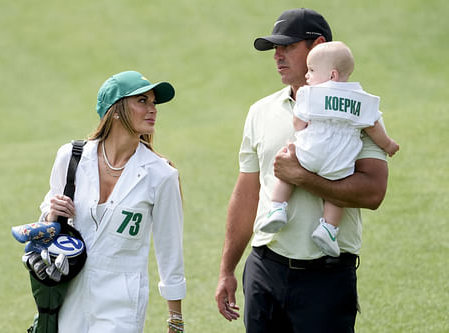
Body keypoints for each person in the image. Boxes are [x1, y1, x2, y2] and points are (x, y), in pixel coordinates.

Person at [215, 8, 390, 332]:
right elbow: (247, 192)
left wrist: (302, 178)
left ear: (318, 46)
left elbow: (373, 191)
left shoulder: (358, 111)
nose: (277, 56)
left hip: (326, 276)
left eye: (287, 46)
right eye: (274, 50)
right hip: (265, 268)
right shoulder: (260, 111)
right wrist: (227, 268)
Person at [39, 71, 186, 333]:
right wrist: (51, 216)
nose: (152, 109)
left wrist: (175, 320)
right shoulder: (70, 157)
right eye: (142, 101)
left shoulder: (161, 175)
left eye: (153, 103)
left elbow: (170, 249)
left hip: (122, 304)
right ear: (115, 110)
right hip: (69, 294)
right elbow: (45, 223)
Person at [260, 41, 399, 258]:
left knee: (288, 166)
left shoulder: (310, 94)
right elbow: (373, 126)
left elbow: (299, 123)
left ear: (332, 75)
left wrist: (301, 125)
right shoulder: (361, 99)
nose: (308, 75)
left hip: (310, 152)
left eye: (312, 70)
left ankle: (277, 208)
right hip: (340, 159)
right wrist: (388, 144)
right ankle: (328, 228)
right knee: (337, 191)